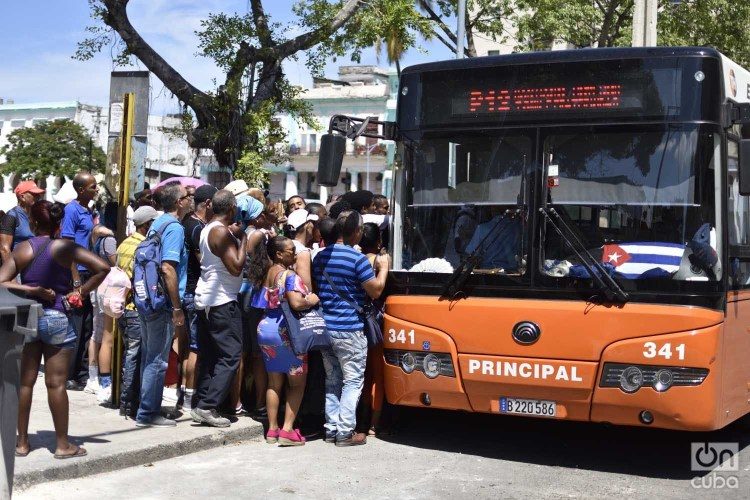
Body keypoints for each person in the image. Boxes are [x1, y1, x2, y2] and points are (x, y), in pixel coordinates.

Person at [0, 200, 109, 459]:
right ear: (59, 223)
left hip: (27, 318)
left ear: (33, 223)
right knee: (56, 383)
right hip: (57, 317)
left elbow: (2, 281)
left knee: (24, 383)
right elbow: (103, 268)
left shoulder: (24, 248)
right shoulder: (65, 247)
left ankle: (22, 443)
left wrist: (32, 290)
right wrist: (79, 291)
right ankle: (62, 445)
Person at [312, 211, 389, 446]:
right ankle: (345, 432)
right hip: (350, 329)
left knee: (333, 381)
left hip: (326, 328)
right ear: (356, 232)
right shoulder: (357, 260)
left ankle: (331, 429)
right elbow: (375, 290)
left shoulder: (320, 257)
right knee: (353, 380)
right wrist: (384, 268)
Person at [250, 236, 319, 446]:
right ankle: (287, 430)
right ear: (279, 254)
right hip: (286, 331)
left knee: (274, 382)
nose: (295, 254)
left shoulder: (266, 273)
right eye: (291, 250)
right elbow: (297, 303)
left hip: (266, 328)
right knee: (297, 383)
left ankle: (272, 430)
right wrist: (312, 299)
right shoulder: (289, 275)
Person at [135, 181, 191, 428]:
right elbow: (168, 267)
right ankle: (147, 414)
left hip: (148, 298)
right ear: (179, 202)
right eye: (187, 196)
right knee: (157, 360)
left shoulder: (157, 223)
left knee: (150, 356)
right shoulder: (175, 228)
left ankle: (146, 406)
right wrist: (177, 307)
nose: (190, 199)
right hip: (163, 302)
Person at [191, 190, 247, 428]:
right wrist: (243, 240)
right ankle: (206, 406)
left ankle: (201, 403)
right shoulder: (220, 231)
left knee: (212, 355)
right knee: (231, 355)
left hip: (207, 299)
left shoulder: (208, 228)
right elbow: (235, 267)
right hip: (222, 300)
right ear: (232, 207)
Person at [61, 172, 103, 391]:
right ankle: (69, 374)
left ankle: (82, 373)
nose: (96, 189)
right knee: (75, 326)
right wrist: (76, 279)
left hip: (90, 272)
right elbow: (67, 246)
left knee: (87, 325)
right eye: (92, 186)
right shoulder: (72, 210)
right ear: (80, 190)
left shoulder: (89, 210)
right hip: (77, 274)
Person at [116, 206, 158, 418]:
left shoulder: (124, 243)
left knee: (129, 355)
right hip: (134, 309)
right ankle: (129, 405)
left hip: (123, 308)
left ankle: (127, 402)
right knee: (134, 357)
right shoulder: (142, 246)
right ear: (146, 224)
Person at [181, 184, 217, 411]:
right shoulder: (195, 228)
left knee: (189, 346)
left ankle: (185, 393)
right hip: (193, 291)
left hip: (190, 290)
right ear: (208, 204)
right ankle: (189, 398)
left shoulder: (192, 224)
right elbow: (204, 261)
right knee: (195, 347)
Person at [356, 222, 385, 435]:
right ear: (379, 242)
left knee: (362, 375)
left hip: (357, 319)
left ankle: (362, 421)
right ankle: (376, 423)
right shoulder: (380, 260)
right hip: (375, 320)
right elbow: (378, 291)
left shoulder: (355, 258)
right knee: (377, 375)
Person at [86, 225, 118, 402]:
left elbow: (95, 231)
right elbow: (115, 263)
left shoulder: (95, 242)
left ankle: (93, 377)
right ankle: (96, 380)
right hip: (106, 290)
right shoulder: (110, 241)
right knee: (103, 335)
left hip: (97, 288)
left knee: (96, 334)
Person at [0, 180, 45, 264]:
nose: (38, 197)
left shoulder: (37, 215)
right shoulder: (11, 216)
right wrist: (12, 275)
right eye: (34, 194)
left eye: (38, 194)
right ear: (22, 197)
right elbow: (4, 249)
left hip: (35, 268)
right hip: (18, 270)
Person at [286, 209, 319, 289]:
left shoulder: (286, 246)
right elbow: (306, 287)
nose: (314, 226)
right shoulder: (302, 252)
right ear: (307, 226)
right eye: (313, 223)